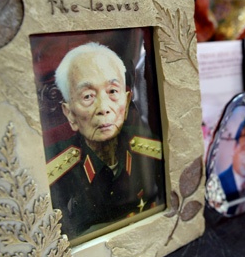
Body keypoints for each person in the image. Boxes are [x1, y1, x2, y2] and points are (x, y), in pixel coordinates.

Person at [46, 42, 164, 240]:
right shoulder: (55, 172)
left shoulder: (151, 147)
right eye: (88, 96)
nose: (103, 108)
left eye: (112, 92)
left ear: (127, 102)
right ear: (69, 114)